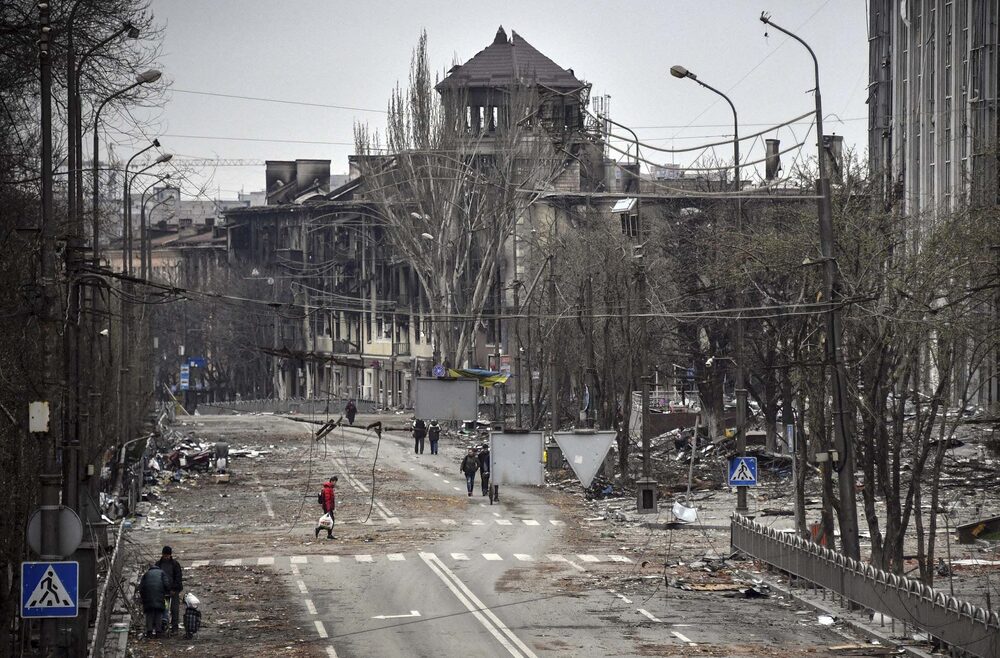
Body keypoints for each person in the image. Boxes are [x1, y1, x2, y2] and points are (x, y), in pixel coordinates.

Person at [155, 546, 183, 634]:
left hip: (173, 591)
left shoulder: (175, 564)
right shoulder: (158, 564)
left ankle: (175, 627)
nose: (166, 557)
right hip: (163, 591)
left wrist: (174, 589)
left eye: (167, 555)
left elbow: (178, 578)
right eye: (165, 555)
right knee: (164, 609)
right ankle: (162, 626)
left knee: (174, 609)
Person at [139, 563, 170, 638]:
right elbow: (166, 584)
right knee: (158, 613)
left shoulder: (146, 574)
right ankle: (158, 631)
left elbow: (141, 587)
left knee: (149, 613)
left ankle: (149, 631)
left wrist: (143, 597)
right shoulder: (162, 573)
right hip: (159, 595)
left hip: (148, 596)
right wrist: (167, 592)